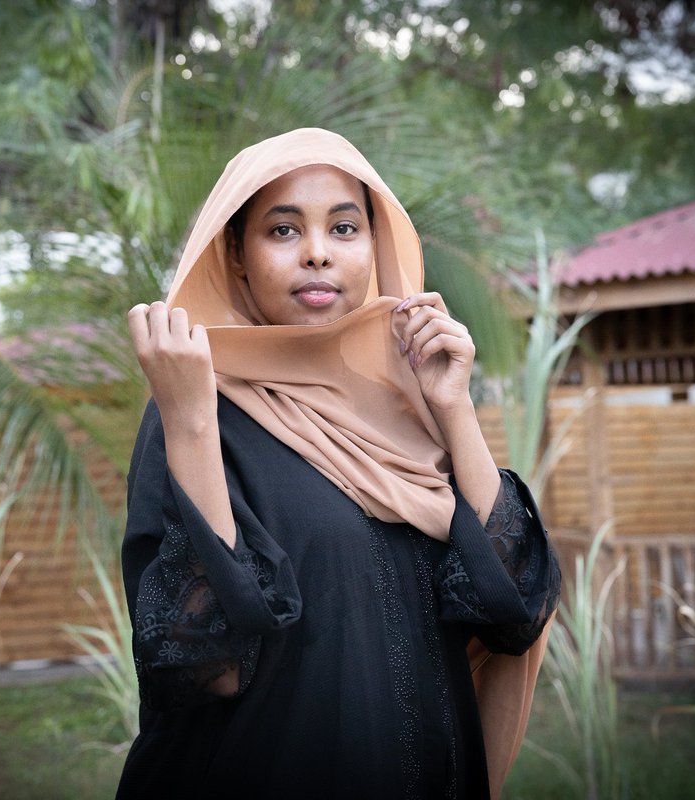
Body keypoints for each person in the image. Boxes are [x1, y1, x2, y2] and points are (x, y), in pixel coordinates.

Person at [119, 128, 560, 800]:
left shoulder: (410, 405)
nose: (319, 253)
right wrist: (189, 420)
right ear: (235, 254)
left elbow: (514, 615)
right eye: (284, 230)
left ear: (374, 246)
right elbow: (202, 667)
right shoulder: (199, 411)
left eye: (345, 227)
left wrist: (454, 409)